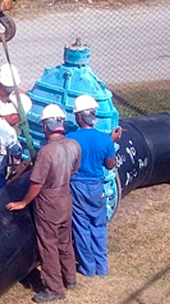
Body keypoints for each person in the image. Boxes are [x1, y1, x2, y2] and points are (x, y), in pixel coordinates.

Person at [6, 104, 81, 303]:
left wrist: (23, 202)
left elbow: (37, 183)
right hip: (66, 197)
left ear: (47, 125)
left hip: (49, 203)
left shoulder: (48, 151)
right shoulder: (74, 145)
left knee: (48, 245)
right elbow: (74, 170)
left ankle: (54, 289)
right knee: (65, 241)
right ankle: (70, 278)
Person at [66, 94, 121, 277]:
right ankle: (102, 266)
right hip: (96, 187)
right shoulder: (104, 139)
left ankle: (87, 268)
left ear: (79, 117)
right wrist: (110, 142)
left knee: (81, 226)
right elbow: (110, 164)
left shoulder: (70, 138)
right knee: (98, 224)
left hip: (76, 187)